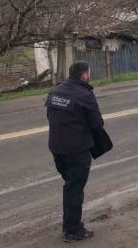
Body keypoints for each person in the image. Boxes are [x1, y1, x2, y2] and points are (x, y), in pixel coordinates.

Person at [46, 61, 105, 242]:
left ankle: (69, 224)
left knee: (70, 185)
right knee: (75, 188)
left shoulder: (55, 91)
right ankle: (73, 230)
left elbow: (50, 116)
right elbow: (97, 123)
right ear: (84, 75)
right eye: (89, 73)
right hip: (77, 150)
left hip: (57, 148)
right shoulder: (85, 94)